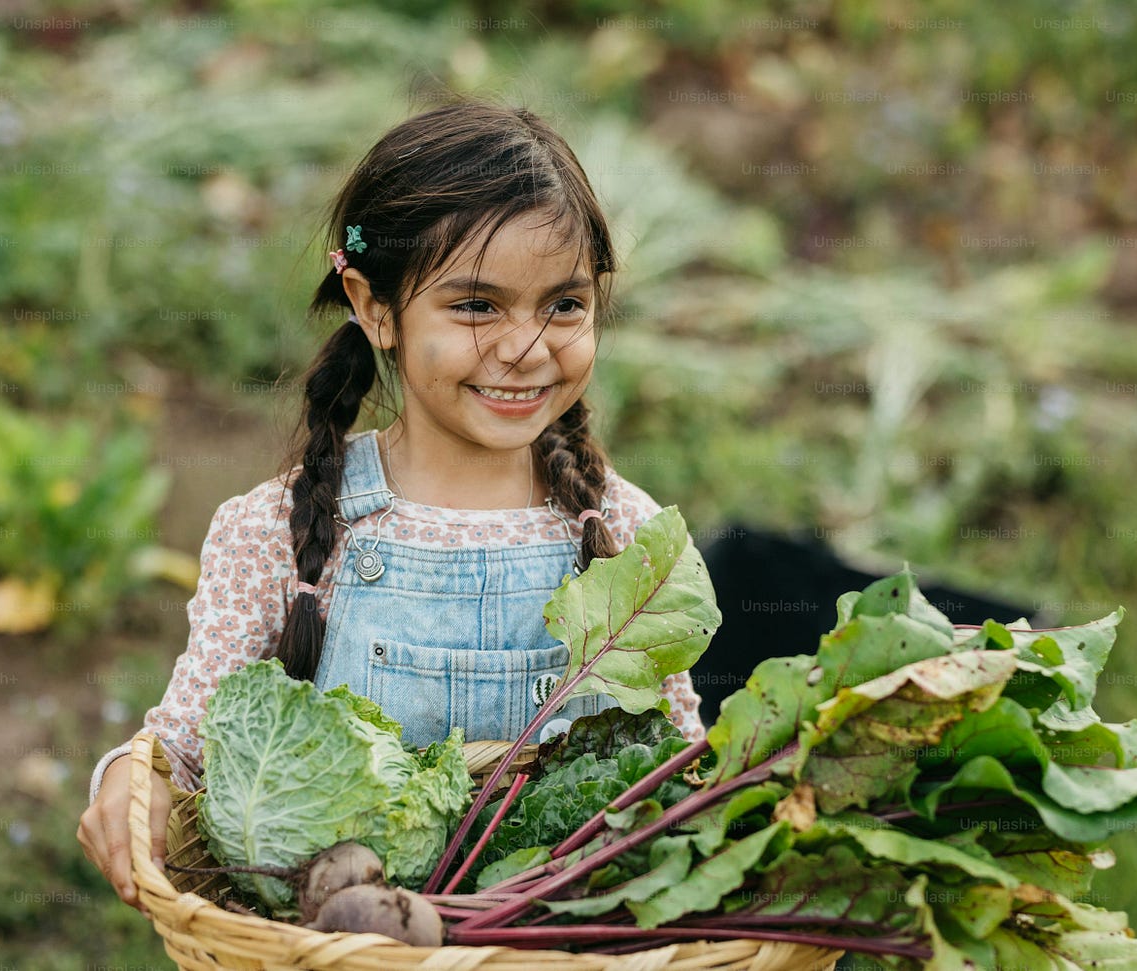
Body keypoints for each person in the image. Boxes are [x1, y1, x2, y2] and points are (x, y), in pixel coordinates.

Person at [76, 99, 706, 910]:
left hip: (569, 945)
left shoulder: (627, 531)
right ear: (375, 308)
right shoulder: (280, 530)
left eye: (565, 304)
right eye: (476, 306)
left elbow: (680, 757)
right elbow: (182, 745)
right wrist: (129, 778)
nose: (526, 345)